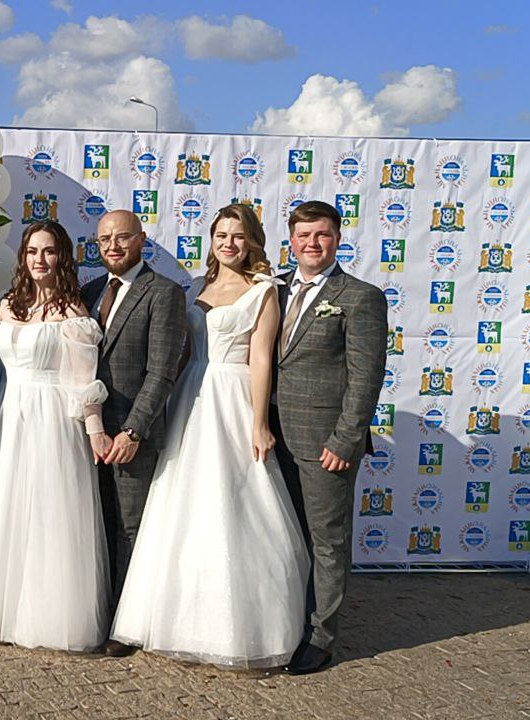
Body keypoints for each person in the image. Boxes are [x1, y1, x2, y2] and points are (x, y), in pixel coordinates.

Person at [110, 204, 311, 668]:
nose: (228, 244)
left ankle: (236, 629)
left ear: (252, 241)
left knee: (232, 504)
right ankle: (171, 619)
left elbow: (261, 359)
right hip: (189, 398)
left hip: (233, 397)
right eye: (221, 235)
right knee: (181, 506)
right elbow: (180, 354)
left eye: (238, 236)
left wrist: (258, 423)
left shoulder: (263, 290)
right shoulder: (196, 287)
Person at [0, 220, 111, 652]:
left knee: (50, 513)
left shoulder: (73, 313)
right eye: (33, 251)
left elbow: (84, 380)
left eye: (49, 251)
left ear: (62, 258)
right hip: (9, 418)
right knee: (7, 509)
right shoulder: (7, 307)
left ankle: (48, 618)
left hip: (53, 419)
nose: (40, 259)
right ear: (23, 257)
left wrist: (95, 431)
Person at [272, 201, 387, 675]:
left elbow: (366, 378)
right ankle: (287, 623)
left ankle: (320, 637)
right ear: (291, 241)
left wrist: (345, 440)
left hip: (325, 443)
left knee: (327, 540)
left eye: (321, 235)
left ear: (337, 239)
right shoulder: (273, 289)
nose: (312, 244)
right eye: (303, 236)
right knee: (286, 535)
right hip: (273, 436)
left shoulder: (359, 297)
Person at [78, 210, 187, 656]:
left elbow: (162, 373)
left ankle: (127, 624)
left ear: (142, 239)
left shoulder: (163, 293)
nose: (113, 247)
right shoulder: (88, 292)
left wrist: (132, 431)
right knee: (93, 525)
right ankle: (99, 612)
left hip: (130, 436)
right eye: (105, 240)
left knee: (130, 529)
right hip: (87, 433)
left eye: (122, 238)